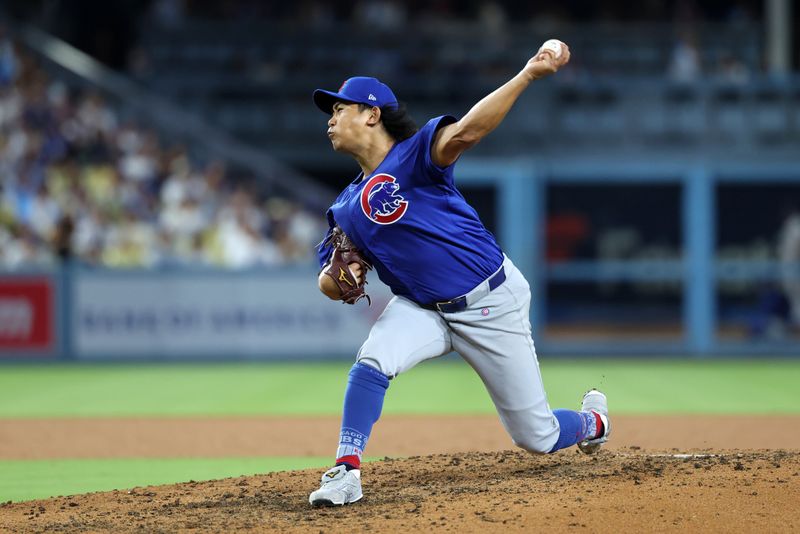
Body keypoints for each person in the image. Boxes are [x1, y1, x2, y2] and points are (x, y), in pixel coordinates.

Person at [308, 40, 610, 507]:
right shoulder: (345, 205)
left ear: (371, 114)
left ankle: (593, 423)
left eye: (339, 107)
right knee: (372, 360)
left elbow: (468, 131)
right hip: (421, 309)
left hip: (490, 300)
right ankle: (346, 471)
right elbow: (334, 277)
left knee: (537, 436)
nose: (329, 117)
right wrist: (332, 282)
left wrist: (528, 74)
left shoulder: (415, 155)